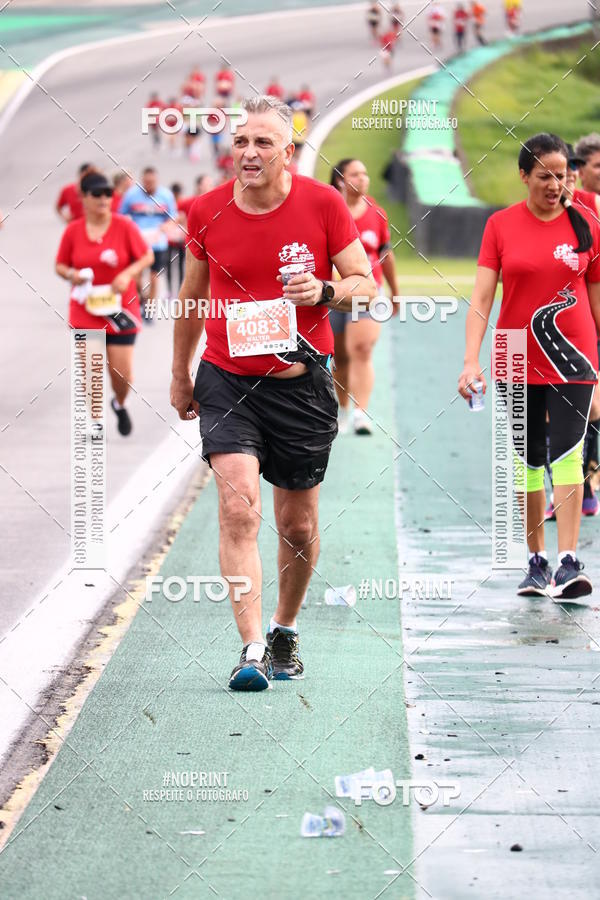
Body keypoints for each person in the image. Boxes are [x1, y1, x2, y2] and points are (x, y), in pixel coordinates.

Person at [170, 96, 377, 690]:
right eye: (241, 141)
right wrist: (181, 373)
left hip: (301, 388)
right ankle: (251, 648)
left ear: (288, 152)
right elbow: (190, 297)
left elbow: (364, 286)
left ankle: (285, 627)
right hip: (227, 379)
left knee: (299, 524)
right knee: (238, 509)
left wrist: (322, 291)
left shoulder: (323, 203)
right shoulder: (205, 209)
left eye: (263, 143)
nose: (250, 153)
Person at [458, 133, 600, 600]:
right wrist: (470, 361)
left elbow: (597, 300)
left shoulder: (588, 222)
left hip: (575, 356)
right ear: (524, 176)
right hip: (514, 354)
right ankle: (535, 561)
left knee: (567, 452)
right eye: (544, 176)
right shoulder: (500, 225)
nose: (555, 184)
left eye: (562, 175)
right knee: (527, 459)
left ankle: (568, 562)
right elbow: (482, 299)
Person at [55, 173, 153, 435]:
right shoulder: (73, 230)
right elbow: (60, 265)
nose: (103, 199)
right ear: (84, 198)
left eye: (108, 194)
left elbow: (146, 256)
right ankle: (95, 419)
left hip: (120, 309)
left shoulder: (124, 226)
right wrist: (72, 275)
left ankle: (119, 403)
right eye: (96, 194)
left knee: (122, 376)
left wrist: (126, 274)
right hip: (86, 308)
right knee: (91, 369)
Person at [329, 159, 399, 435]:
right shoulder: (329, 211)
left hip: (369, 293)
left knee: (361, 349)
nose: (363, 178)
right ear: (340, 181)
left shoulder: (376, 213)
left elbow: (386, 254)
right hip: (333, 293)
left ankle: (360, 413)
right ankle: (343, 408)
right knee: (339, 356)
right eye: (355, 174)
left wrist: (395, 292)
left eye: (365, 173)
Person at [119, 167, 177, 317]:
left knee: (154, 278)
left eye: (152, 182)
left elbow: (173, 218)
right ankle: (142, 300)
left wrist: (165, 227)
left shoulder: (166, 195)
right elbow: (120, 216)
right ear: (142, 181)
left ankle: (149, 311)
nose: (149, 185)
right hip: (138, 242)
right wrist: (129, 227)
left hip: (158, 243)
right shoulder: (131, 195)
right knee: (136, 277)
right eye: (146, 182)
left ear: (157, 181)